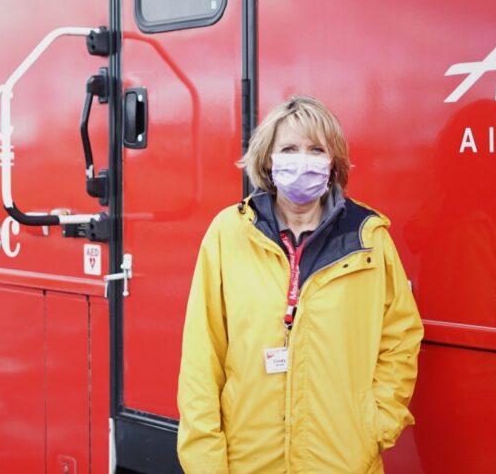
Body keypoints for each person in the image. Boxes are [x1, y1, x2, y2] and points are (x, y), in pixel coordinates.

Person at [177, 95, 423, 473]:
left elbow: (401, 338)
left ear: (332, 161)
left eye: (315, 149)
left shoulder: (369, 238)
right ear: (268, 159)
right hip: (249, 462)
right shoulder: (229, 233)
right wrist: (205, 464)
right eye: (289, 148)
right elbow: (201, 359)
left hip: (343, 461)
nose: (302, 159)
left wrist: (376, 424)